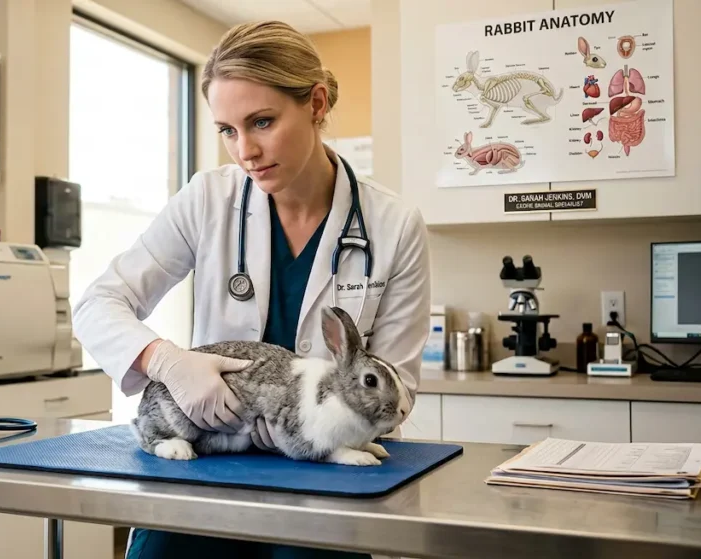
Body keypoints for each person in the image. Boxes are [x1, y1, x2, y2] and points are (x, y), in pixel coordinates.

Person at [71, 19, 431, 559]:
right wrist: (166, 361)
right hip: (210, 459)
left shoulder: (393, 224)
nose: (244, 151)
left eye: (261, 122)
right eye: (227, 130)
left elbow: (394, 386)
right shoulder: (207, 201)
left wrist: (321, 431)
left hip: (327, 477)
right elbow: (100, 302)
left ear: (315, 103)